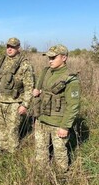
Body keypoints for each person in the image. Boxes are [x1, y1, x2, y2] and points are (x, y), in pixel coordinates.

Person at [33, 44, 80, 172]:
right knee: (40, 152)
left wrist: (65, 126)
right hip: (42, 119)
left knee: (60, 155)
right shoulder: (46, 72)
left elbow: (73, 106)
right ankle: (41, 177)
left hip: (57, 123)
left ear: (64, 57)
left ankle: (63, 179)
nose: (50, 60)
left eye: (53, 57)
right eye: (49, 58)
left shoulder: (70, 79)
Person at [0, 37, 34, 153]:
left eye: (13, 47)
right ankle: (3, 148)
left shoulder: (24, 64)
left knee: (12, 129)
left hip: (15, 102)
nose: (9, 49)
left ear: (18, 48)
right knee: (0, 127)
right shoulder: (1, 60)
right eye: (8, 46)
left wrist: (25, 105)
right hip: (0, 99)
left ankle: (13, 152)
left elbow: (29, 87)